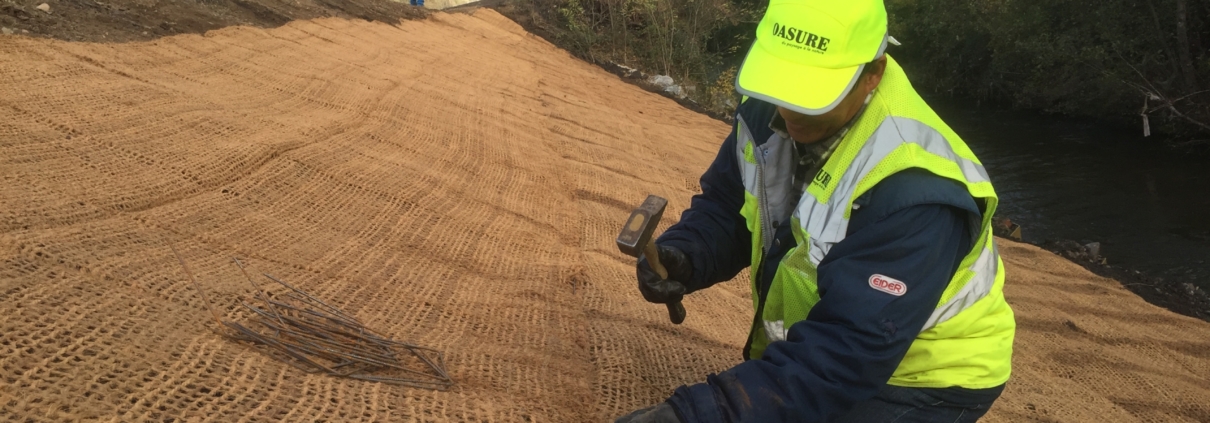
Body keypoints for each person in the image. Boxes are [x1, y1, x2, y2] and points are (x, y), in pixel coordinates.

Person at [617, 0, 1016, 422]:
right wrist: (688, 253)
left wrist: (695, 415)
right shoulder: (766, 109)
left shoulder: (915, 188)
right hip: (849, 340)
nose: (790, 111)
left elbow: (846, 351)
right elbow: (732, 205)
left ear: (873, 74)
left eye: (813, 94)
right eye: (783, 84)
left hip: (926, 376)